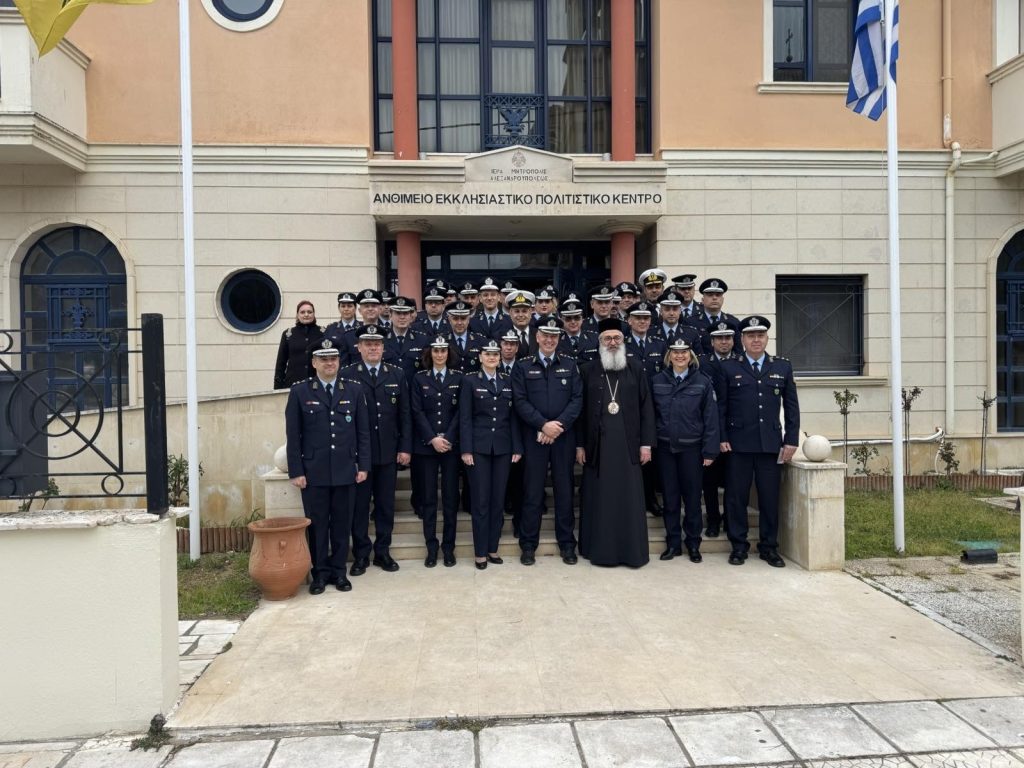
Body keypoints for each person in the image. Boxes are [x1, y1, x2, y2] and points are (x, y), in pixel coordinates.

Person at [284, 341, 369, 593]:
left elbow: (362, 432)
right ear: (314, 363)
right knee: (318, 525)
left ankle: (339, 572)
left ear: (339, 362)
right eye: (324, 359)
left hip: (346, 469)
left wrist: (363, 465)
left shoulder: (353, 389)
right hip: (314, 472)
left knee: (342, 524)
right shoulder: (300, 391)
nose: (329, 363)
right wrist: (296, 471)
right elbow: (293, 435)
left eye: (333, 359)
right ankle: (320, 573)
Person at [718, 316, 800, 568]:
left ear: (766, 338)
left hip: (769, 445)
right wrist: (722, 437)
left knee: (769, 498)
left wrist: (791, 440)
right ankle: (738, 546)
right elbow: (720, 407)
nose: (756, 340)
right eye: (751, 335)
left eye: (760, 335)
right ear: (742, 339)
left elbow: (792, 407)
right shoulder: (729, 367)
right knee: (736, 498)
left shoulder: (782, 367)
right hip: (738, 445)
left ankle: (769, 547)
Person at [575, 319, 656, 568]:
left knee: (628, 499)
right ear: (599, 342)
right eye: (607, 339)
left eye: (616, 338)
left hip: (629, 446)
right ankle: (600, 551)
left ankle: (631, 552)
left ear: (623, 341)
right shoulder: (588, 370)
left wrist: (646, 444)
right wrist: (579, 445)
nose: (612, 343)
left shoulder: (636, 368)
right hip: (597, 447)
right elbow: (580, 411)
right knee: (600, 499)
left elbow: (646, 407)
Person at [511, 316, 583, 565]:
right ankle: (528, 544)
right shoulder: (523, 366)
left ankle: (567, 544)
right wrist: (543, 425)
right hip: (535, 438)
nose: (550, 340)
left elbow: (577, 400)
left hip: (563, 438)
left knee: (564, 492)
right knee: (532, 493)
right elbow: (520, 401)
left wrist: (557, 427)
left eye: (554, 336)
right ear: (537, 337)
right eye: (546, 335)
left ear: (559, 339)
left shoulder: (570, 365)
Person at [342, 324, 412, 574]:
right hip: (360, 455)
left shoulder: (396, 374)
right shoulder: (348, 374)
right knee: (360, 507)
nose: (373, 348)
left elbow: (404, 414)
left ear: (384, 348)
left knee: (385, 505)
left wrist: (405, 447)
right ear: (359, 347)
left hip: (387, 452)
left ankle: (383, 552)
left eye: (377, 344)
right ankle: (361, 555)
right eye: (368, 344)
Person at [651, 338, 719, 563]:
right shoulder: (657, 381)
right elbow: (650, 416)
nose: (680, 356)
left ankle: (693, 543)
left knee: (692, 499)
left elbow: (710, 419)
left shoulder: (702, 381)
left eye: (684, 352)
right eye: (675, 352)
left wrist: (709, 451)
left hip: (692, 449)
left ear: (691, 356)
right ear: (669, 356)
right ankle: (673, 543)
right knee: (670, 499)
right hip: (666, 449)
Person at [460, 339, 523, 569]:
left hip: (503, 449)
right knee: (481, 501)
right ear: (480, 357)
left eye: (495, 354)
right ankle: (480, 552)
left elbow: (513, 417)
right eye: (487, 354)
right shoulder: (470, 381)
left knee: (498, 500)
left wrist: (517, 447)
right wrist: (466, 449)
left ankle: (492, 548)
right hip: (479, 449)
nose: (492, 358)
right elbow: (465, 418)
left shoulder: (507, 380)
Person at [410, 336, 464, 567]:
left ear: (448, 353)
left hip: (450, 447)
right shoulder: (419, 378)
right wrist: (432, 438)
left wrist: (448, 438)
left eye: (443, 350)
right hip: (427, 447)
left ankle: (448, 548)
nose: (440, 354)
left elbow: (461, 411)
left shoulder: (458, 378)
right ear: (429, 354)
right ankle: (431, 548)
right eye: (436, 351)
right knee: (429, 499)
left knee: (450, 499)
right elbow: (416, 411)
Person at [700, 317, 741, 538]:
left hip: (734, 430)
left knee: (733, 480)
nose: (724, 342)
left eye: (727, 338)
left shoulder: (741, 361)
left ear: (733, 340)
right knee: (709, 480)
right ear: (712, 341)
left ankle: (730, 518)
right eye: (719, 338)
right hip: (708, 430)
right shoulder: (701, 363)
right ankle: (713, 519)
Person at [274, 300, 324, 389]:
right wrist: (278, 388)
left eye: (309, 312)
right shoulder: (288, 334)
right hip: (293, 385)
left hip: (317, 384)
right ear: (297, 315)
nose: (306, 314)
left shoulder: (323, 333)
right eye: (302, 312)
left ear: (314, 314)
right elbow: (281, 363)